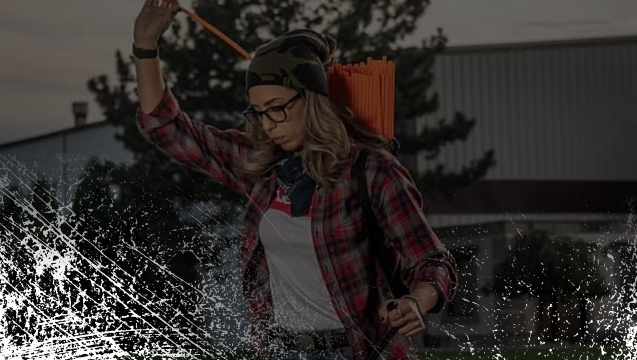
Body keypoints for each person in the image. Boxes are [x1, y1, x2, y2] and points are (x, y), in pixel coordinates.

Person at [132, 1, 458, 359]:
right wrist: (146, 46)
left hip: (360, 350)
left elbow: (432, 261)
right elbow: (166, 128)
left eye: (278, 107)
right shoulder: (261, 168)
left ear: (312, 99)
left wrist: (416, 300)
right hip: (283, 350)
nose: (268, 123)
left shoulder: (372, 170)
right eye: (258, 112)